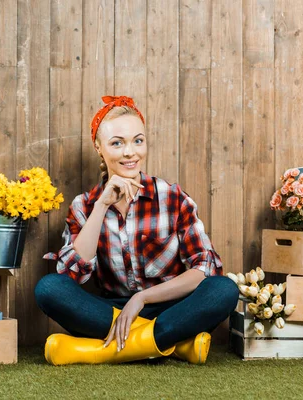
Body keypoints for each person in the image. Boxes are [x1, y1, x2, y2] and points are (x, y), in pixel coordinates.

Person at [35, 95, 239, 365]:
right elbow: (73, 272)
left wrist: (142, 298)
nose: (130, 152)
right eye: (117, 143)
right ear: (99, 148)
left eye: (137, 141)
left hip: (172, 308)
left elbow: (204, 269)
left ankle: (102, 350)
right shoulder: (84, 206)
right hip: (112, 313)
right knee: (48, 289)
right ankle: (174, 345)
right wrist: (102, 205)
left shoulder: (172, 197)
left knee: (223, 289)